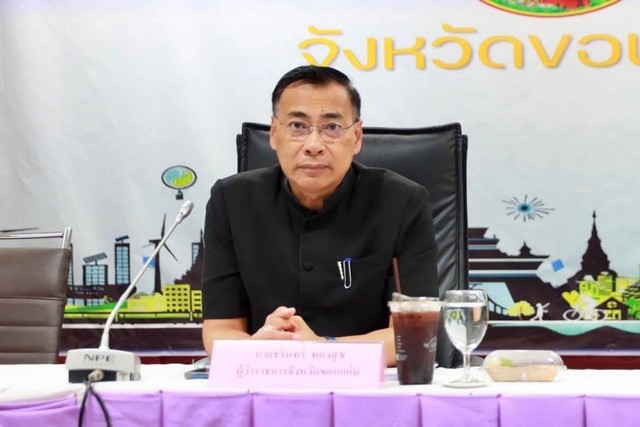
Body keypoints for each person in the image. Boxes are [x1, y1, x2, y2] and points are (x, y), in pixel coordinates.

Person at [201, 65, 438, 366]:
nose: (313, 146)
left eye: (332, 128)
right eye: (297, 126)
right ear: (274, 133)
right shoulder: (232, 201)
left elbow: (413, 335)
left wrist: (323, 349)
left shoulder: (403, 203)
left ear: (357, 136)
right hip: (269, 380)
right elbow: (220, 330)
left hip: (367, 386)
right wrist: (257, 349)